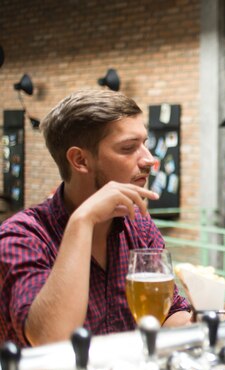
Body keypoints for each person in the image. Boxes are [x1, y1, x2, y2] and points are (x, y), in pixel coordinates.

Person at [0, 90, 191, 347]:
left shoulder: (140, 227)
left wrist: (198, 318)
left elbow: (167, 314)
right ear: (80, 160)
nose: (149, 159)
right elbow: (51, 338)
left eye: (145, 143)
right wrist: (83, 221)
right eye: (128, 148)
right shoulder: (22, 236)